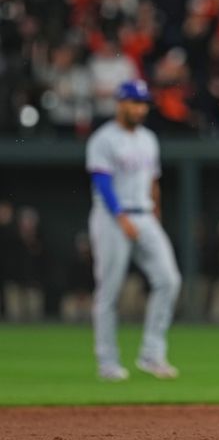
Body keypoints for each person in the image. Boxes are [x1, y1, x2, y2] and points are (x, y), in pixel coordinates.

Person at [86, 79, 182, 381]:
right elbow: (101, 181)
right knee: (109, 291)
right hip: (111, 216)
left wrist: (156, 215)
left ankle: (152, 355)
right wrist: (120, 216)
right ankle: (107, 362)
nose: (140, 108)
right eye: (134, 102)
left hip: (144, 215)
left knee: (169, 280)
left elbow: (153, 182)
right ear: (120, 103)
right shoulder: (103, 139)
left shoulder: (148, 138)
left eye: (143, 103)